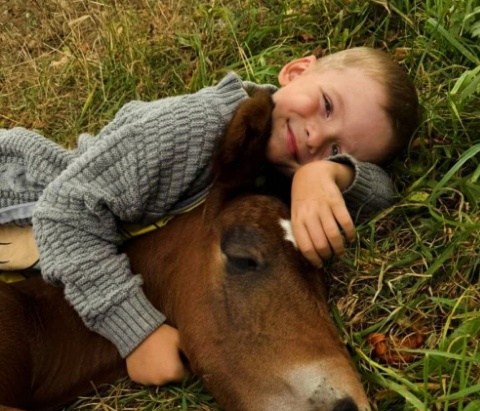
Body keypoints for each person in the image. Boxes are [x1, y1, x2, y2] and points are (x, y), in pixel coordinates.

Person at [0, 47, 419, 387]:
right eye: (327, 106)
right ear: (295, 71)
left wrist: (327, 173)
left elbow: (382, 193)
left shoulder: (286, 165)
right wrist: (136, 332)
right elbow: (61, 215)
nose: (315, 137)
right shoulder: (188, 130)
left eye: (335, 147)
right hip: (24, 197)